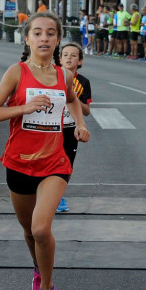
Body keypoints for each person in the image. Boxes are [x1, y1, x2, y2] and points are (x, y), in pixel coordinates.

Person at [0, 12, 90, 290]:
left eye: (51, 33)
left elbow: (72, 102)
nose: (44, 38)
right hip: (18, 163)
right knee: (29, 231)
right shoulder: (16, 72)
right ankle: (38, 268)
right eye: (38, 33)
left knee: (42, 229)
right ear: (26, 38)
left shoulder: (63, 75)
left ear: (57, 40)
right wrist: (24, 107)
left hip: (55, 162)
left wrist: (80, 125)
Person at [57, 43, 92, 213]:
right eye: (65, 55)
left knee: (66, 164)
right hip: (50, 128)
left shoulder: (83, 82)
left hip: (70, 129)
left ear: (80, 61)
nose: (69, 58)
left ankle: (58, 195)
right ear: (59, 59)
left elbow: (86, 111)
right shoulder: (51, 76)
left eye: (73, 55)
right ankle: (46, 195)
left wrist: (74, 98)